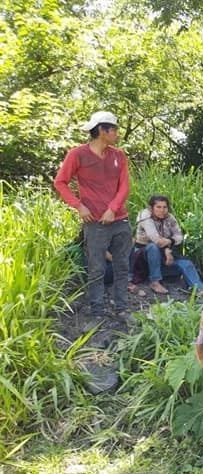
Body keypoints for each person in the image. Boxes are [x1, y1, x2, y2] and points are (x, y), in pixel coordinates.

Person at [53, 110, 131, 320]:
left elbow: (124, 186)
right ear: (101, 130)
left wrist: (113, 208)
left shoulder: (118, 155)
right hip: (94, 222)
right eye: (113, 129)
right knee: (96, 268)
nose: (116, 133)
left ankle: (122, 308)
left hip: (120, 219)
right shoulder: (77, 154)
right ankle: (97, 311)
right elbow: (60, 182)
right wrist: (78, 206)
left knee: (123, 266)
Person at [133, 195, 203, 296]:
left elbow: (179, 236)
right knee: (152, 247)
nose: (162, 210)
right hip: (143, 259)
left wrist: (169, 241)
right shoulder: (145, 216)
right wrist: (167, 250)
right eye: (158, 207)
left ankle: (200, 289)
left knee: (186, 263)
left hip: (162, 257)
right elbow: (155, 238)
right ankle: (155, 281)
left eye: (165, 207)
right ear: (151, 208)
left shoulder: (170, 217)